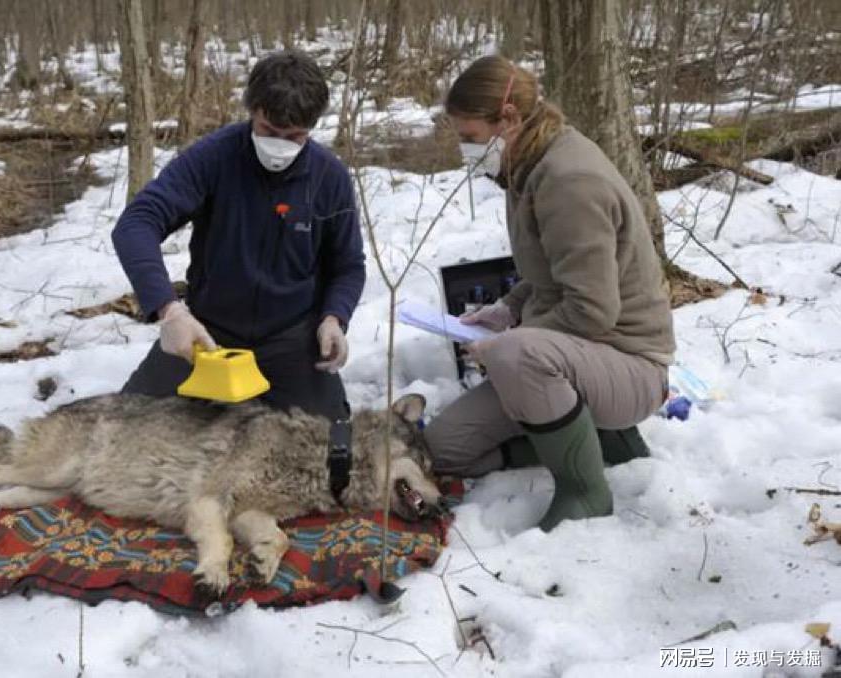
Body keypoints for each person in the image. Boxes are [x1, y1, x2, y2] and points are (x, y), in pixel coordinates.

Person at [424, 55, 676, 532]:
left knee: (519, 356)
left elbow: (592, 310)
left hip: (629, 362)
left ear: (509, 119)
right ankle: (604, 443)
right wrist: (507, 309)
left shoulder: (568, 180)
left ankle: (584, 490)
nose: (465, 149)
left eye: (470, 137)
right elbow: (554, 275)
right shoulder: (526, 163)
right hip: (572, 356)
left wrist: (505, 347)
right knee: (445, 448)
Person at [111, 50, 365, 422]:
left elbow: (348, 265)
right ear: (252, 112)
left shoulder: (330, 178)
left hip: (291, 338)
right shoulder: (214, 158)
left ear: (312, 128)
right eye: (268, 131)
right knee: (125, 427)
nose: (279, 145)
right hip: (209, 335)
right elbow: (136, 223)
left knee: (328, 444)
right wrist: (169, 310)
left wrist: (334, 318)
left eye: (293, 136)